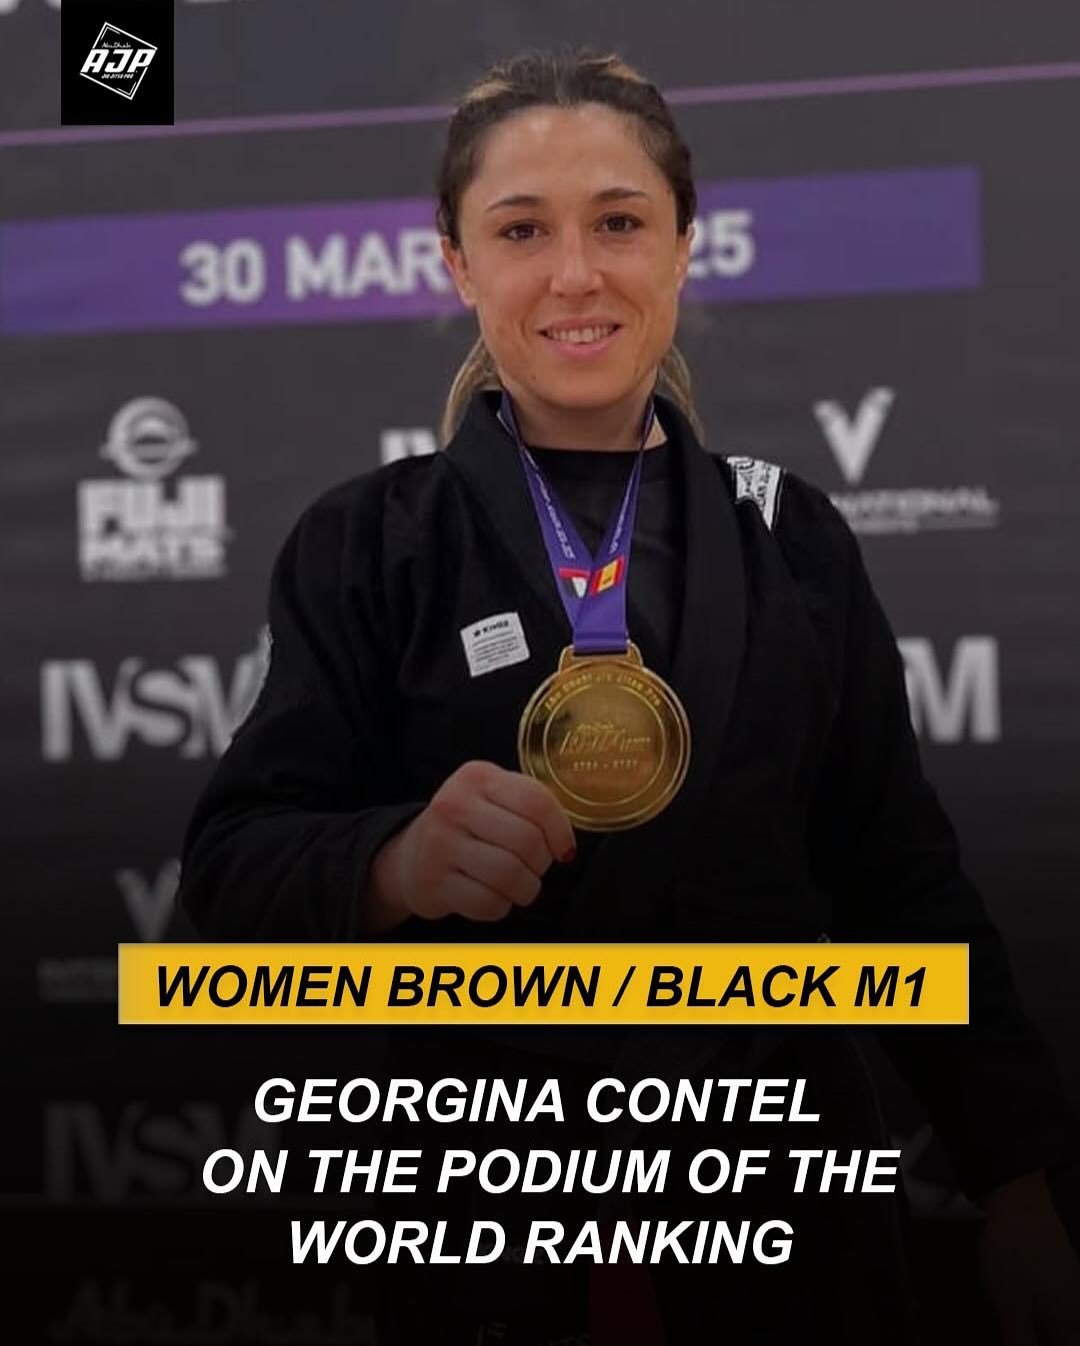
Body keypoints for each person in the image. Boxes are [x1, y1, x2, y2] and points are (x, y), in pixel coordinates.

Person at [179, 50, 1080, 1346]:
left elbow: (901, 880)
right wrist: (393, 862)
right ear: (456, 265)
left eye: (618, 223)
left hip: (779, 1198)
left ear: (683, 248)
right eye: (521, 232)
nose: (575, 273)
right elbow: (231, 867)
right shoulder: (370, 542)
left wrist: (1017, 1182)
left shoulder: (793, 540)